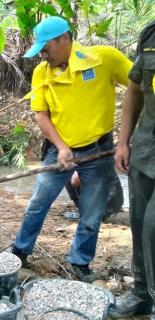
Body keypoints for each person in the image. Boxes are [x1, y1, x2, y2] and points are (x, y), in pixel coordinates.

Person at [11, 17, 132, 283]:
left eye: (46, 49)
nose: (43, 56)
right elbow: (41, 114)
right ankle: (19, 252)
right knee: (37, 204)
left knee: (91, 212)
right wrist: (62, 147)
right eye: (40, 51)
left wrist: (128, 138)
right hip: (60, 152)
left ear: (65, 39)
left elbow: (143, 85)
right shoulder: (42, 72)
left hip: (98, 152)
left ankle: (80, 262)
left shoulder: (104, 59)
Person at [108, 20, 155, 319]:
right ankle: (141, 292)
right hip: (146, 147)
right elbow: (135, 90)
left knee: (153, 226)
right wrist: (122, 142)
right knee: (138, 223)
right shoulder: (150, 33)